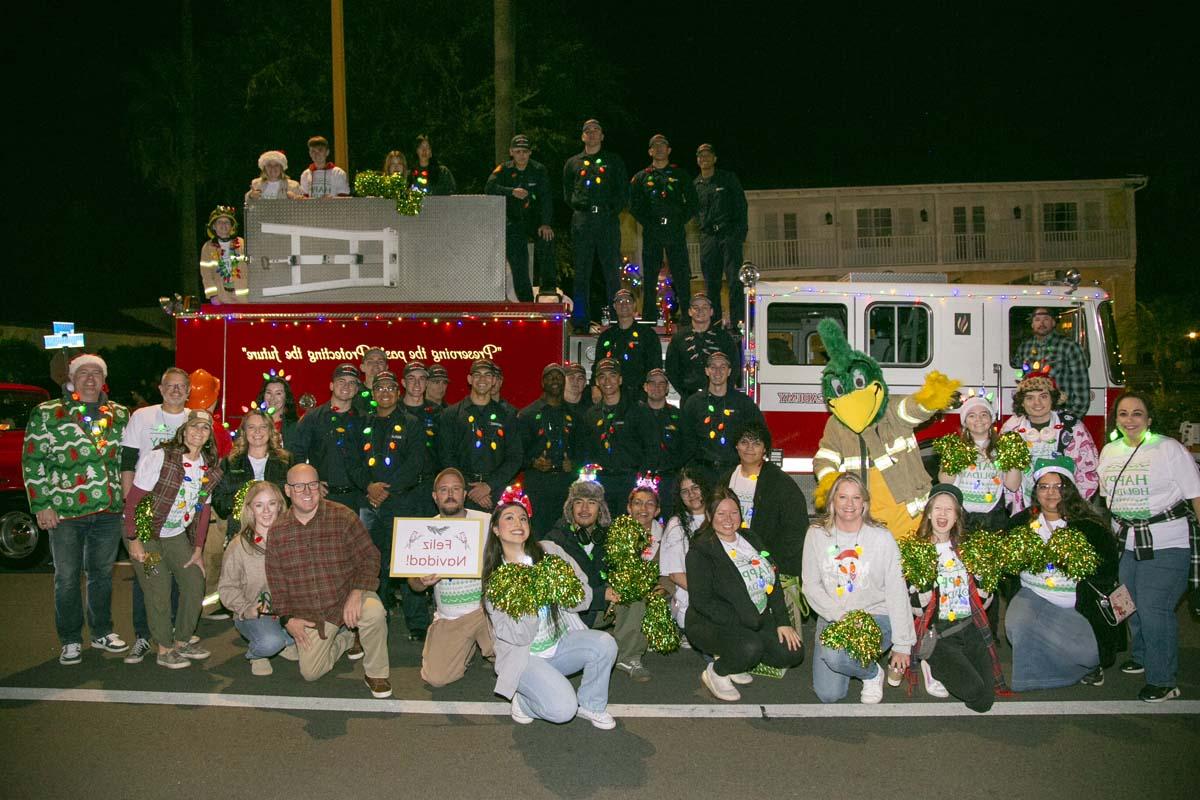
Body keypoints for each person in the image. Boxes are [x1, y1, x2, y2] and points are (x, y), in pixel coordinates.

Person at [22, 354, 131, 665]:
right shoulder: (48, 413)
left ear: (103, 378)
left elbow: (130, 460)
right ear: (71, 378)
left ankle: (101, 632)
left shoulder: (120, 414)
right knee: (67, 577)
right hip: (65, 511)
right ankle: (70, 638)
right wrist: (41, 505)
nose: (90, 378)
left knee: (101, 575)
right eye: (83, 372)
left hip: (109, 509)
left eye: (96, 372)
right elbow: (32, 461)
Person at [482, 491, 618, 728]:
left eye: (523, 518)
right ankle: (524, 702)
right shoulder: (497, 579)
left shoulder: (549, 551)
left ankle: (591, 704)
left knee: (605, 643)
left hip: (558, 645)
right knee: (563, 710)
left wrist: (563, 590)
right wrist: (530, 596)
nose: (518, 523)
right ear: (495, 529)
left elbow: (583, 594)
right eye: (509, 518)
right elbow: (519, 636)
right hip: (525, 658)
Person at [1098, 391, 1200, 702]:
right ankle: (1142, 656)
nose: (1130, 420)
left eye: (1137, 413)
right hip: (1126, 542)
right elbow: (1107, 499)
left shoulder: (1169, 449)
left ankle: (1163, 679)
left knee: (1155, 608)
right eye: (1124, 414)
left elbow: (1195, 494)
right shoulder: (1109, 451)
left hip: (1167, 542)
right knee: (1129, 603)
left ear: (1149, 419)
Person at [267, 464, 392, 698]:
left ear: (320, 486)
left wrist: (357, 592)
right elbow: (277, 583)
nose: (307, 491)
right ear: (287, 490)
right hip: (312, 613)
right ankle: (347, 638)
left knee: (374, 613)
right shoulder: (278, 531)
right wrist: (287, 619)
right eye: (299, 486)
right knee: (311, 673)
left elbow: (370, 557)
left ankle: (376, 673)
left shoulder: (342, 516)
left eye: (313, 485)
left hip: (347, 598)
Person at [1004, 457, 1121, 691]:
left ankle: (1084, 665)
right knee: (1017, 623)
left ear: (1069, 490)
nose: (1051, 493)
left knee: (1088, 654)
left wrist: (1075, 560)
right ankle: (1040, 674)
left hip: (1077, 605)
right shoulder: (1021, 523)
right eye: (1044, 486)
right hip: (1035, 596)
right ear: (1035, 490)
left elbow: (1108, 572)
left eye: (1058, 486)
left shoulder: (1089, 526)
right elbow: (1006, 569)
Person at [802, 473, 916, 703]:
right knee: (829, 694)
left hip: (875, 616)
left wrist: (904, 643)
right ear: (832, 501)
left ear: (864, 502)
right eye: (842, 497)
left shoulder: (881, 537)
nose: (849, 504)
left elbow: (897, 590)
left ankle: (871, 675)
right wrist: (840, 615)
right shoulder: (816, 534)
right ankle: (866, 667)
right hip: (834, 616)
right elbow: (811, 585)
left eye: (856, 498)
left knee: (835, 656)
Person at [123, 410, 224, 669]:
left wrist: (198, 549)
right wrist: (134, 539)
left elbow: (202, 513)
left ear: (210, 435)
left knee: (194, 581)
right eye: (194, 426)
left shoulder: (208, 468)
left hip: (175, 535)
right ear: (183, 429)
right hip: (146, 533)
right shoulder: (160, 458)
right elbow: (134, 501)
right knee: (159, 587)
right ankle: (164, 648)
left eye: (205, 427)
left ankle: (182, 641)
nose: (198, 431)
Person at [686, 489, 804, 701]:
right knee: (750, 647)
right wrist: (743, 622)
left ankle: (736, 659)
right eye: (721, 514)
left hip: (755, 616)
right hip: (711, 622)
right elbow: (702, 602)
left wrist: (782, 621)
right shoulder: (701, 551)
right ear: (710, 516)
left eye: (734, 512)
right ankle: (718, 671)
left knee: (791, 652)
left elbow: (772, 578)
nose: (728, 519)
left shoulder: (750, 538)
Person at [906, 485, 1005, 712]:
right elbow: (915, 609)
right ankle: (930, 661)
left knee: (983, 703)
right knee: (972, 691)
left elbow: (984, 602)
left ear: (958, 515)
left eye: (949, 510)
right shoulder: (916, 550)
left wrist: (983, 580)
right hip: (938, 633)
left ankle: (955, 664)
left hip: (969, 627)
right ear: (928, 513)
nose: (942, 515)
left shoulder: (969, 549)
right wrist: (924, 580)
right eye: (937, 508)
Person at [348, 370, 428, 636]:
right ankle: (374, 618)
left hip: (402, 502)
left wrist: (388, 489)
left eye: (390, 388)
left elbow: (416, 462)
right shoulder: (361, 424)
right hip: (368, 502)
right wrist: (369, 487)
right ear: (373, 393)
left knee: (406, 562)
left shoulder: (412, 423)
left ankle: (416, 623)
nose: (384, 392)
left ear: (398, 392)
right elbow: (355, 463)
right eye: (379, 388)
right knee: (371, 562)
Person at [119, 367, 191, 661]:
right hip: (145, 506)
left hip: (179, 512)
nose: (175, 390)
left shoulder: (194, 419)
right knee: (146, 574)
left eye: (181, 386)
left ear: (188, 391)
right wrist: (129, 505)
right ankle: (142, 636)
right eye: (169, 386)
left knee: (175, 574)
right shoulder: (142, 417)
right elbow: (127, 460)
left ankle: (171, 633)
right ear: (160, 389)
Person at [407, 468, 495, 686]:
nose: (450, 494)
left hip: (486, 612)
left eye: (456, 489)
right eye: (443, 490)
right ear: (435, 496)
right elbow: (413, 584)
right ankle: (463, 647)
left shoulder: (488, 523)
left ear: (464, 494)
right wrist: (421, 581)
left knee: (513, 664)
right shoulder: (424, 532)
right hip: (450, 617)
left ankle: (489, 646)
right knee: (436, 679)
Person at [217, 481, 298, 676]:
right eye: (259, 505)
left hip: (288, 610)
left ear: (280, 505)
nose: (266, 511)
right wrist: (246, 609)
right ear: (250, 509)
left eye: (271, 503)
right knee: (270, 643)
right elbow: (226, 588)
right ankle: (258, 652)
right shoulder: (239, 545)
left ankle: (285, 639)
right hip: (255, 614)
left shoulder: (292, 537)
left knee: (319, 636)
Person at [562, 119, 629, 333]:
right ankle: (581, 321)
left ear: (602, 136)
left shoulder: (613, 161)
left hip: (607, 221)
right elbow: (567, 193)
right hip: (582, 221)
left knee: (611, 272)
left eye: (596, 131)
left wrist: (610, 211)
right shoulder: (573, 162)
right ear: (583, 136)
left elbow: (622, 192)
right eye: (587, 131)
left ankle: (617, 319)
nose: (592, 134)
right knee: (582, 273)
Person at [999, 362, 1099, 505]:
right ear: (1021, 402)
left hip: (1065, 506)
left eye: (1043, 396)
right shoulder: (1011, 430)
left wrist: (1074, 506)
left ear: (1053, 398)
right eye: (1029, 398)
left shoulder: (1072, 428)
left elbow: (1089, 470)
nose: (1037, 403)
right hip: (1023, 507)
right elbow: (1002, 473)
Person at [719, 421, 807, 577]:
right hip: (730, 561)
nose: (749, 448)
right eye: (744, 442)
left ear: (765, 449)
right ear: (736, 446)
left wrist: (771, 561)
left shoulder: (780, 483)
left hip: (768, 566)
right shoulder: (726, 480)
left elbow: (796, 529)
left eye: (756, 443)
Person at [630, 134, 699, 321]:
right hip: (652, 231)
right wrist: (649, 222)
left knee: (681, 273)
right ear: (650, 151)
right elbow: (634, 205)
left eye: (663, 146)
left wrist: (679, 220)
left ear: (669, 150)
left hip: (675, 230)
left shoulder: (680, 175)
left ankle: (686, 314)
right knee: (651, 275)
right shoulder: (641, 177)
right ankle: (649, 316)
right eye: (655, 146)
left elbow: (693, 203)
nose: (659, 149)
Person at [438, 359, 523, 511]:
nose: (482, 380)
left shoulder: (508, 416)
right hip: (462, 492)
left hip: (497, 491)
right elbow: (446, 456)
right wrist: (470, 489)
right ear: (469, 379)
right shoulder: (451, 414)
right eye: (477, 375)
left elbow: (515, 457)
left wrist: (488, 486)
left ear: (494, 380)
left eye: (487, 375)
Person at [580, 358, 657, 519]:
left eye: (612, 375)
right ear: (597, 382)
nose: (607, 381)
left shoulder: (638, 410)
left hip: (630, 482)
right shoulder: (591, 415)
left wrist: (643, 480)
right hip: (601, 484)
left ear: (620, 379)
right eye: (602, 376)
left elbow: (652, 447)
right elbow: (586, 452)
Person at [486, 134, 555, 302]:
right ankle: (526, 301)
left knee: (547, 239)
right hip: (514, 221)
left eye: (525, 151)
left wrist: (546, 223)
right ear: (511, 152)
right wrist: (511, 191)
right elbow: (489, 187)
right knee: (519, 259)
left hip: (535, 220)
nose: (521, 155)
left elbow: (546, 198)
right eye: (518, 152)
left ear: (530, 153)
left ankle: (548, 287)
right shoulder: (504, 169)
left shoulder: (539, 170)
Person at [938, 392, 1023, 530]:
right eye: (971, 415)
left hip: (995, 517)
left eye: (984, 414)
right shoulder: (956, 448)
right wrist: (952, 456)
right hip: (961, 516)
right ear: (964, 422)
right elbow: (946, 482)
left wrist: (1013, 456)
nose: (979, 419)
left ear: (991, 419)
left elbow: (1013, 485)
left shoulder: (1003, 447)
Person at [290, 363, 367, 514]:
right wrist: (310, 483)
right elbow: (297, 454)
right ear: (331, 385)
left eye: (352, 383)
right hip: (323, 497)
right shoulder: (312, 418)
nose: (346, 386)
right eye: (341, 381)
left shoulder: (366, 420)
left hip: (359, 499)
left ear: (357, 389)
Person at [680, 350, 764, 485]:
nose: (717, 371)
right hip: (701, 472)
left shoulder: (743, 403)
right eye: (713, 367)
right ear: (707, 371)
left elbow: (760, 433)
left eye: (723, 367)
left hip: (733, 471)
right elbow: (685, 440)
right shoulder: (693, 403)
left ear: (729, 371)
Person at [519, 364, 580, 539]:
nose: (555, 380)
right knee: (538, 535)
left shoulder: (575, 417)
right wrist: (533, 462)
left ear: (564, 382)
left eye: (559, 376)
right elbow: (516, 455)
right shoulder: (527, 415)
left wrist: (574, 464)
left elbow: (586, 452)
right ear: (542, 382)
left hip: (567, 484)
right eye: (550, 376)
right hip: (538, 485)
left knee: (567, 535)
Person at [694, 143, 748, 328]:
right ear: (697, 160)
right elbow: (693, 211)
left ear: (714, 158)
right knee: (711, 283)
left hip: (729, 234)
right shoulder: (695, 185)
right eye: (701, 156)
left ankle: (738, 322)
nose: (704, 159)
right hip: (709, 237)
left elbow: (741, 205)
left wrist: (740, 233)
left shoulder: (728, 179)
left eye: (708, 155)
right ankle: (714, 324)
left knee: (734, 279)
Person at [212, 409, 291, 520]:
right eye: (251, 427)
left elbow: (293, 499)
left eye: (263, 427)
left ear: (270, 431)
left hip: (278, 526)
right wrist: (245, 496)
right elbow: (220, 505)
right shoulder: (230, 463)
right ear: (244, 432)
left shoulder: (286, 461)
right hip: (240, 527)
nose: (257, 431)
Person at [659, 467, 710, 631]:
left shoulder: (720, 516)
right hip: (693, 599)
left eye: (695, 488)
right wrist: (711, 595)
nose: (691, 494)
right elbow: (675, 575)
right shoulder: (677, 525)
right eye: (685, 491)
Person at [1018, 306, 1091, 419]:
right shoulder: (1025, 347)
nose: (1041, 323)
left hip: (1060, 414)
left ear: (1053, 322)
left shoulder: (1069, 347)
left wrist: (1071, 419)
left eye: (1046, 319)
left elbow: (1081, 388)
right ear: (1032, 324)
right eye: (1037, 320)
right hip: (1032, 416)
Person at [665, 293, 740, 398]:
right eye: (696, 308)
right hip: (689, 398)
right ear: (689, 312)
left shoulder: (724, 338)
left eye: (705, 307)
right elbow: (671, 369)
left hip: (719, 398)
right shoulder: (679, 338)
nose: (700, 311)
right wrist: (685, 393)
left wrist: (725, 391)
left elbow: (735, 367)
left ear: (711, 311)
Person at [592, 288, 663, 399]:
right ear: (614, 306)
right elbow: (597, 365)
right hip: (611, 396)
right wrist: (594, 387)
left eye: (628, 301)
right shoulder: (606, 336)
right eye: (620, 301)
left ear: (634, 305)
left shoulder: (648, 334)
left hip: (640, 396)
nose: (624, 304)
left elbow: (655, 366)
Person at [642, 367, 685, 503]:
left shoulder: (678, 416)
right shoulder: (635, 415)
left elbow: (686, 447)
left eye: (661, 384)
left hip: (670, 480)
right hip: (641, 480)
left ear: (667, 388)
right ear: (645, 387)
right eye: (652, 383)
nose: (657, 387)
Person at [199, 206, 248, 304]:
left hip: (244, 297)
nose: (223, 225)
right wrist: (213, 295)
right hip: (221, 297)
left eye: (227, 222)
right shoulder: (207, 247)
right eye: (219, 222)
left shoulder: (242, 243)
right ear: (213, 226)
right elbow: (206, 274)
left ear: (232, 226)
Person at [254, 371, 300, 451]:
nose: (272, 398)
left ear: (286, 397)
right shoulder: (251, 422)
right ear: (263, 396)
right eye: (269, 393)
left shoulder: (296, 427)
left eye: (278, 393)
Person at [353, 347, 389, 417]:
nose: (375, 364)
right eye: (370, 361)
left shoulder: (393, 395)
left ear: (386, 367)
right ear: (362, 367)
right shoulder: (353, 394)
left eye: (380, 361)